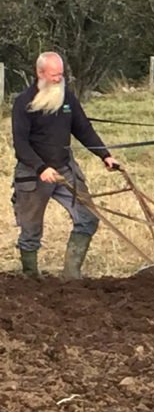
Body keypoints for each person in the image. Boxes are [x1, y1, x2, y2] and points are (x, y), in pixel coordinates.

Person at [11, 52, 120, 278]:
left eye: (61, 74)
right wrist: (41, 168)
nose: (59, 79)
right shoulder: (24, 102)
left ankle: (71, 275)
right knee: (30, 231)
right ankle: (30, 278)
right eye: (54, 75)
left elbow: (83, 129)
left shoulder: (67, 98)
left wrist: (105, 155)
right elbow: (20, 144)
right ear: (40, 73)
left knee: (88, 218)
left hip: (64, 170)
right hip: (33, 174)